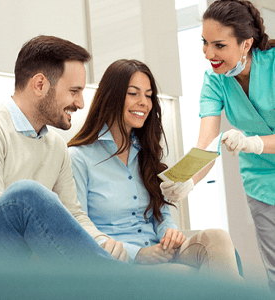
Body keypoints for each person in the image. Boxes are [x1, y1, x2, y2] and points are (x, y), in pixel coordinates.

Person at [68, 59, 243, 282]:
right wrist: (139, 255)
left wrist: (170, 232)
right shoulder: (78, 157)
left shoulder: (147, 152)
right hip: (119, 263)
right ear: (112, 95)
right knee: (188, 277)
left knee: (218, 238)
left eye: (149, 95)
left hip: (160, 252)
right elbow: (78, 231)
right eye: (134, 93)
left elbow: (161, 216)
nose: (144, 102)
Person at [0, 35, 129, 267]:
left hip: (22, 263)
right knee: (25, 195)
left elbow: (74, 215)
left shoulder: (56, 146)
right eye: (74, 91)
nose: (80, 103)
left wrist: (101, 242)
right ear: (40, 85)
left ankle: (114, 277)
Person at [160, 0, 275, 292]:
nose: (209, 54)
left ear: (246, 44)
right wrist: (186, 181)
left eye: (219, 45)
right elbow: (206, 145)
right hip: (261, 184)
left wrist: (253, 143)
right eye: (204, 42)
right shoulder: (214, 81)